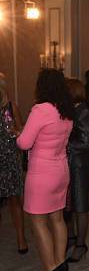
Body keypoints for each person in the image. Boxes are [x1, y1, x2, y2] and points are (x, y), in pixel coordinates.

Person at [17, 68, 74, 271]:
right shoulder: (66, 110)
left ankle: (49, 267)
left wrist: (18, 134)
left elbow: (24, 143)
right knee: (57, 219)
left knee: (37, 221)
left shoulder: (41, 110)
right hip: (61, 170)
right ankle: (59, 262)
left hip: (41, 173)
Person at [65, 78, 89, 263]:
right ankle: (71, 238)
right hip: (68, 164)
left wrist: (63, 144)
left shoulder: (83, 112)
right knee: (68, 205)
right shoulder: (71, 110)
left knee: (81, 205)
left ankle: (81, 245)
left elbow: (87, 142)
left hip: (80, 165)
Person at [0, 83, 28, 254]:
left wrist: (16, 131)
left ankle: (21, 239)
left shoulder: (11, 107)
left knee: (14, 201)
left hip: (10, 161)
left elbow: (23, 131)